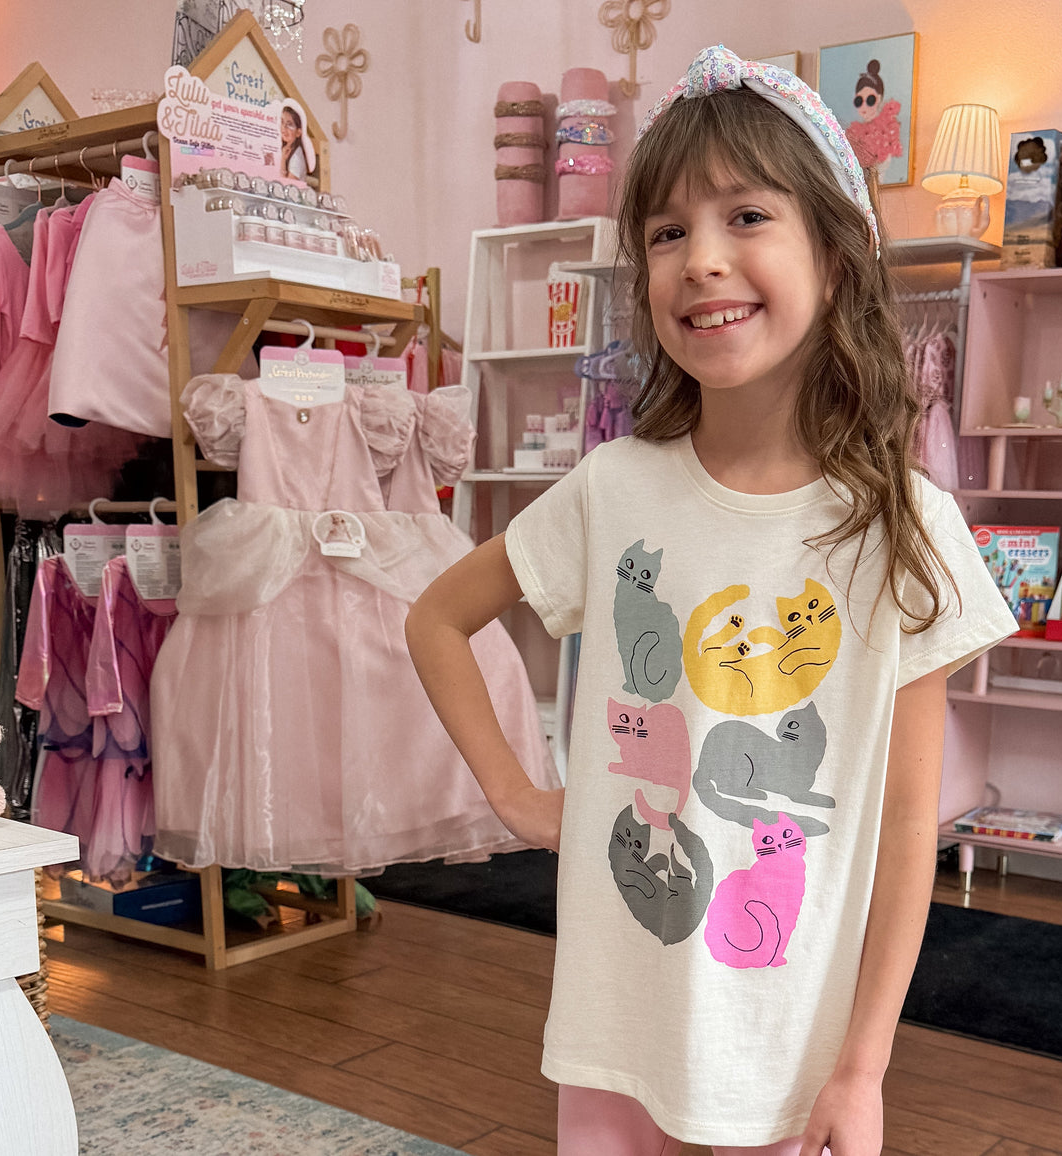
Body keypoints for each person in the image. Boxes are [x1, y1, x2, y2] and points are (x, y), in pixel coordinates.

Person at [406, 45, 1015, 1156]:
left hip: (781, 1061)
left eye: (745, 216)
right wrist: (514, 792)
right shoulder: (612, 489)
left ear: (833, 257)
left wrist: (862, 1069)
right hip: (613, 1036)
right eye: (666, 232)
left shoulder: (902, 525)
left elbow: (903, 826)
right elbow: (435, 617)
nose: (701, 261)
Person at [843, 59, 903, 177]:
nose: (864, 106)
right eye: (859, 101)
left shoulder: (888, 128)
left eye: (870, 100)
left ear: (879, 98)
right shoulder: (854, 132)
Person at [280, 104, 308, 180]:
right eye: (282, 122)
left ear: (298, 132)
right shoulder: (284, 148)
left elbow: (289, 188)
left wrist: (283, 160)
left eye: (289, 125)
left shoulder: (296, 158)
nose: (284, 128)